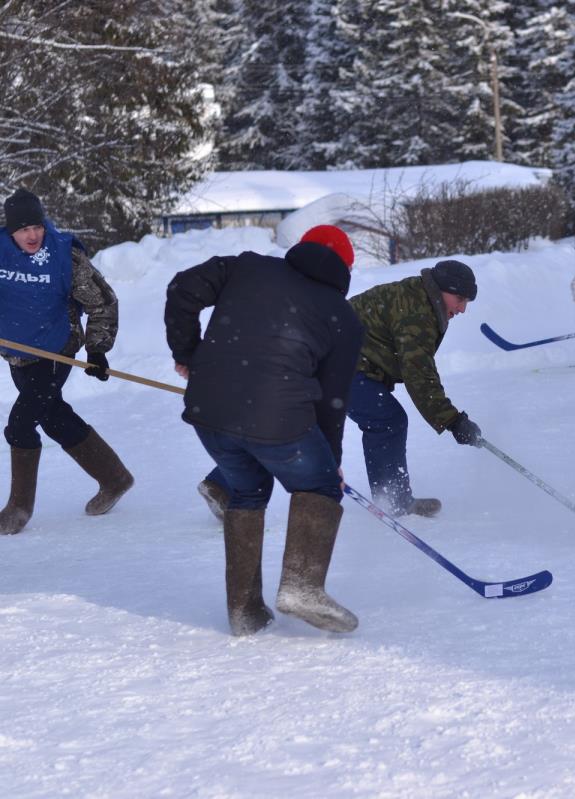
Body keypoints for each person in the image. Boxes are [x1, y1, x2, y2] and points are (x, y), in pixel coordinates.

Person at [165, 224, 364, 636]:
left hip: (209, 412)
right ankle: (303, 587)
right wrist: (331, 464)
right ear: (346, 267)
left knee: (246, 492)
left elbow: (183, 288)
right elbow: (332, 400)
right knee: (319, 487)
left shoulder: (248, 267)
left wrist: (187, 352)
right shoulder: (344, 317)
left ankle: (244, 609)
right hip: (278, 420)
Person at [0, 188, 133, 535]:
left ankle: (18, 509)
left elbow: (103, 303)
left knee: (19, 425)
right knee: (53, 417)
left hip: (56, 350)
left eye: (37, 227)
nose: (32, 235)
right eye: (23, 229)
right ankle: (114, 477)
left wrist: (98, 349)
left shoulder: (65, 257)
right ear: (9, 230)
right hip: (19, 354)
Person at [345, 259, 483, 518]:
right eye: (460, 299)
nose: (462, 309)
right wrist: (453, 421)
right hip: (336, 362)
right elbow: (419, 374)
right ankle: (392, 502)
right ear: (443, 289)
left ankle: (393, 498)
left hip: (347, 361)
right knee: (386, 420)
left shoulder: (420, 298)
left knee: (387, 419)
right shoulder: (417, 311)